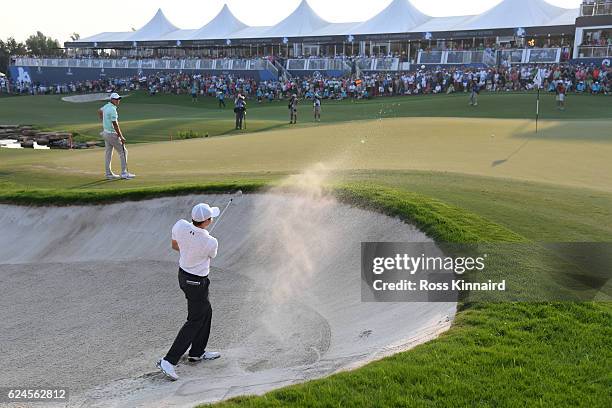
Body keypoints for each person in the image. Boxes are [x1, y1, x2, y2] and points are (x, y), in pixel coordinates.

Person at [157, 203, 221, 381]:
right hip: (196, 282)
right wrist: (199, 242)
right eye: (211, 217)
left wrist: (190, 245)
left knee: (206, 312)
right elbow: (212, 255)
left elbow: (175, 246)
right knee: (194, 320)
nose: (212, 219)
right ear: (207, 221)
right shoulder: (210, 241)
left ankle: (197, 352)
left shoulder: (180, 225)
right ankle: (168, 360)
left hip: (184, 276)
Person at [98, 93, 135, 180]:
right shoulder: (112, 110)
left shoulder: (106, 106)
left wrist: (103, 120)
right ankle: (124, 173)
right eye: (116, 99)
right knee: (123, 152)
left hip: (105, 133)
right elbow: (115, 124)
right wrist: (121, 136)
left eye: (119, 99)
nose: (118, 100)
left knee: (108, 153)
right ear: (112, 99)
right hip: (111, 134)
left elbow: (99, 111)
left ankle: (108, 174)